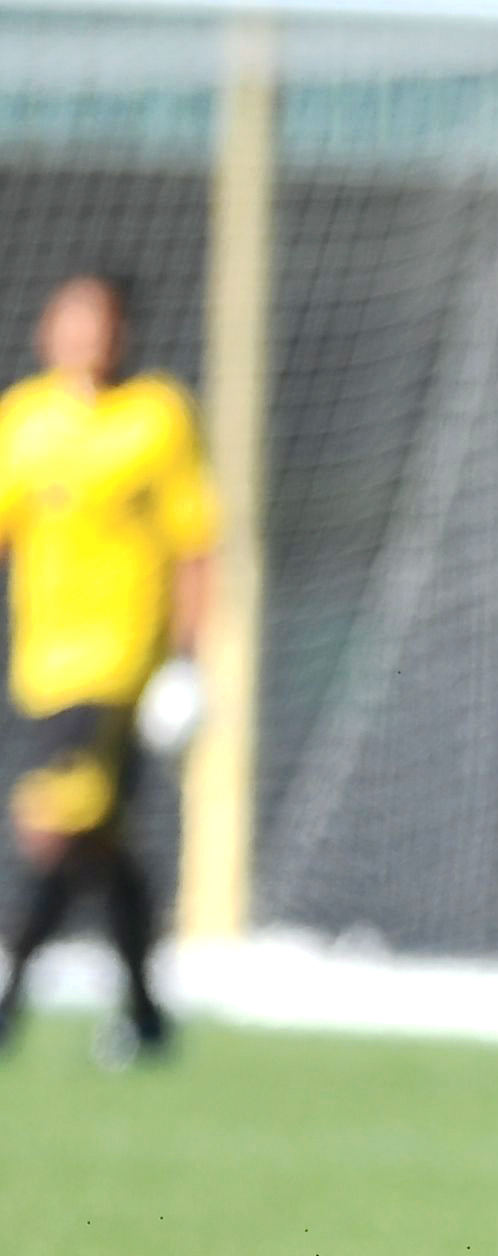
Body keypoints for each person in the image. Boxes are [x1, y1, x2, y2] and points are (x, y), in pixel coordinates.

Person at [0, 274, 215, 1063]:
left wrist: (188, 663)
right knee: (101, 844)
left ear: (122, 330)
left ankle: (8, 1002)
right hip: (40, 671)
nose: (83, 334)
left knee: (52, 827)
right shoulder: (22, 420)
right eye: (69, 318)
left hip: (120, 667)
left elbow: (198, 545)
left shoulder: (157, 417)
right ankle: (148, 1017)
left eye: (98, 320)